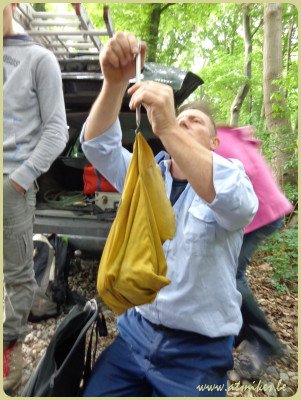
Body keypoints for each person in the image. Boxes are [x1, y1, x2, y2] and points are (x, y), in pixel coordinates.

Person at [80, 32, 258, 397]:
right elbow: (97, 145)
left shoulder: (229, 176)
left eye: (193, 121)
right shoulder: (146, 175)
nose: (182, 122)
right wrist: (114, 84)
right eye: (181, 118)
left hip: (200, 354)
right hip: (134, 335)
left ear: (213, 144)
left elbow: (238, 205)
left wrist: (167, 125)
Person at [3, 4, 68, 395]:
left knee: (17, 279)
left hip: (10, 184)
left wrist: (19, 179)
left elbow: (57, 131)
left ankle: (9, 365)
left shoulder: (39, 59)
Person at [215, 126, 293, 379]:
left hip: (263, 214)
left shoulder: (218, 139)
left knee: (231, 275)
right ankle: (240, 333)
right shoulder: (222, 134)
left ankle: (264, 339)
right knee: (226, 272)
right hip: (260, 211)